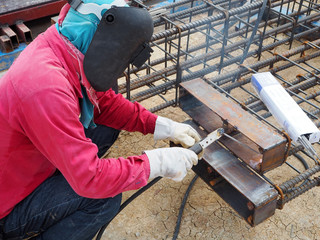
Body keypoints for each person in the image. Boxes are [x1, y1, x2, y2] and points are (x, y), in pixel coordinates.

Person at [0, 1, 201, 239]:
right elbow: (90, 179)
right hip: (9, 205)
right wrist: (156, 163)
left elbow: (103, 105)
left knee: (105, 127)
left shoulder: (61, 45)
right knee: (103, 197)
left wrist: (162, 126)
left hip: (29, 164)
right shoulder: (45, 87)